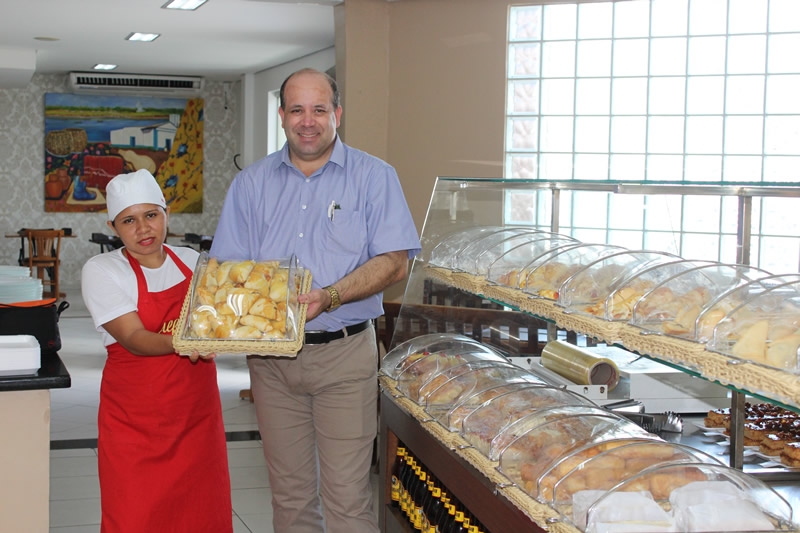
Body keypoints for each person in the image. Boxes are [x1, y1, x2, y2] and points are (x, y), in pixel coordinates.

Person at [210, 67, 421, 533]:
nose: (309, 121)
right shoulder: (251, 184)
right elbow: (228, 273)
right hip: (272, 364)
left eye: (319, 109)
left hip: (344, 357)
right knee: (290, 498)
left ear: (337, 114)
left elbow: (394, 262)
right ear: (282, 115)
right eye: (297, 110)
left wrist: (331, 296)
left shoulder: (374, 177)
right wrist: (213, 325)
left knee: (347, 499)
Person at [81, 169, 233, 533]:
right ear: (113, 226)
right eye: (129, 220)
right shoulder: (102, 270)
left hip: (196, 416)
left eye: (151, 215)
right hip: (135, 423)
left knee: (201, 514)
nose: (143, 228)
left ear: (167, 215)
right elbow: (133, 336)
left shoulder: (194, 261)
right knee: (135, 515)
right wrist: (185, 342)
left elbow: (220, 320)